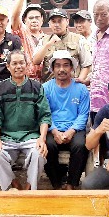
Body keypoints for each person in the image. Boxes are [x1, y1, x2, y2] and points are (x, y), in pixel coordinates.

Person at [0, 50, 51, 190]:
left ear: (26, 64)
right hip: (7, 137)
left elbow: (44, 115)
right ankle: (13, 184)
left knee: (39, 153)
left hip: (31, 136)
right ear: (8, 66)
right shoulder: (0, 88)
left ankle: (29, 187)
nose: (18, 66)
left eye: (21, 63)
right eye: (14, 63)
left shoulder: (36, 87)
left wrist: (42, 138)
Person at [43, 51, 90, 189]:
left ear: (71, 68)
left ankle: (71, 183)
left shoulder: (81, 89)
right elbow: (44, 113)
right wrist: (54, 131)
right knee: (47, 146)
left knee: (80, 145)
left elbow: (83, 115)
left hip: (74, 128)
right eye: (57, 65)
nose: (61, 69)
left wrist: (71, 131)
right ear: (52, 68)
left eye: (65, 65)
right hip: (53, 127)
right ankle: (56, 184)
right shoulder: (45, 88)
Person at [32, 8, 91, 83]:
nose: (57, 25)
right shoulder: (44, 40)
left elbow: (86, 64)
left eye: (60, 21)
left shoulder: (78, 39)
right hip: (50, 86)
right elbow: (35, 61)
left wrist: (79, 82)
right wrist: (48, 44)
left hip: (72, 85)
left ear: (67, 22)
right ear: (49, 24)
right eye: (53, 21)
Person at [10, 0, 45, 81]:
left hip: (44, 82)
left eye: (37, 17)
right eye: (31, 18)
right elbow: (15, 15)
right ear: (25, 20)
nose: (34, 20)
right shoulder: (21, 34)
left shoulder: (47, 39)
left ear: (42, 20)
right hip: (24, 81)